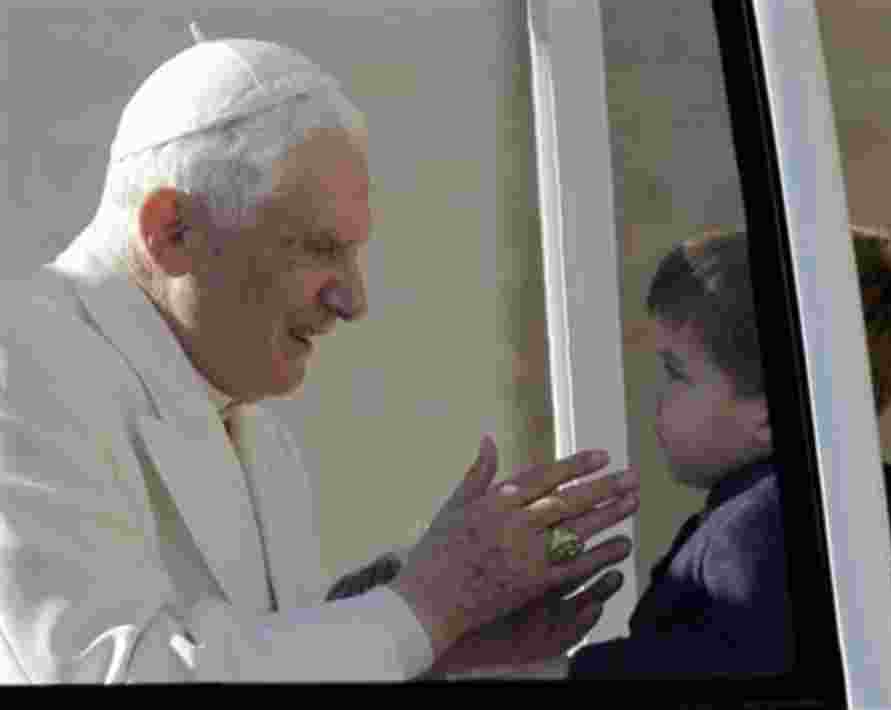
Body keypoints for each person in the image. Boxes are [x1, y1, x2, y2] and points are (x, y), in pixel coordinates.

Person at [0, 30, 640, 683]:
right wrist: (420, 612)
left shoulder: (258, 434)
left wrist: (439, 644)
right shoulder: (18, 362)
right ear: (173, 232)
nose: (353, 300)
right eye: (317, 249)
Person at [561, 226, 891, 699]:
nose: (656, 399)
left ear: (771, 410)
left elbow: (727, 669)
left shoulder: (761, 518)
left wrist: (551, 674)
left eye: (676, 373)